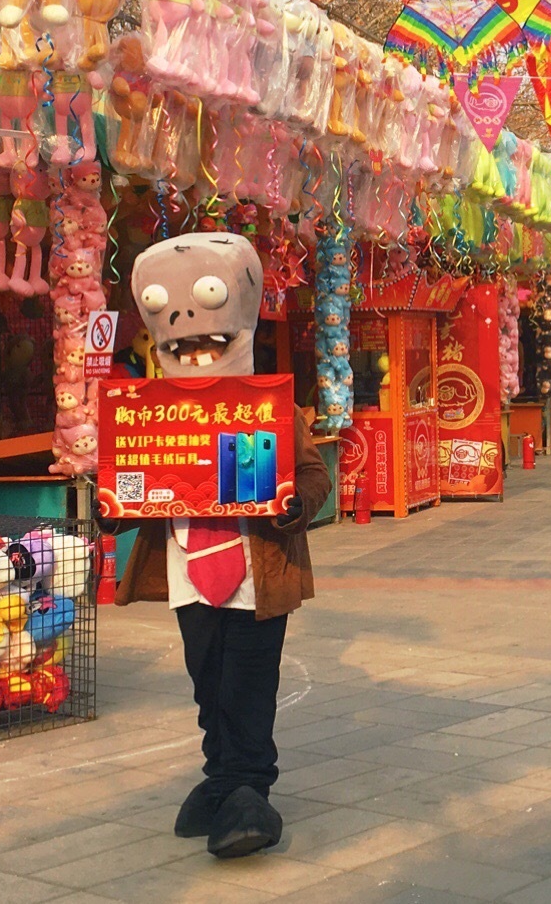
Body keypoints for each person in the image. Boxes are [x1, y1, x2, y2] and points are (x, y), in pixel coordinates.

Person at [114, 235, 335, 859]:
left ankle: (248, 786)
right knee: (206, 680)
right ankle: (221, 774)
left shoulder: (268, 407)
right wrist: (112, 507)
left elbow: (316, 474)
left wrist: (295, 505)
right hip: (189, 574)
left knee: (248, 680)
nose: (195, 339)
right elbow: (134, 477)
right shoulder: (150, 413)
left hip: (255, 573)